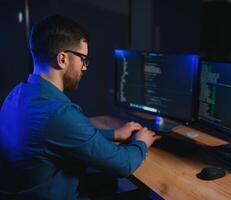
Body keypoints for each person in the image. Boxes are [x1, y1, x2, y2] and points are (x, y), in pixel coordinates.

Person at [0, 15, 161, 200]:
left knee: (106, 182)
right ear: (62, 59)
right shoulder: (59, 113)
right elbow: (123, 165)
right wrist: (141, 141)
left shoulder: (17, 94)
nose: (84, 67)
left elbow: (62, 137)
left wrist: (114, 134)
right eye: (83, 59)